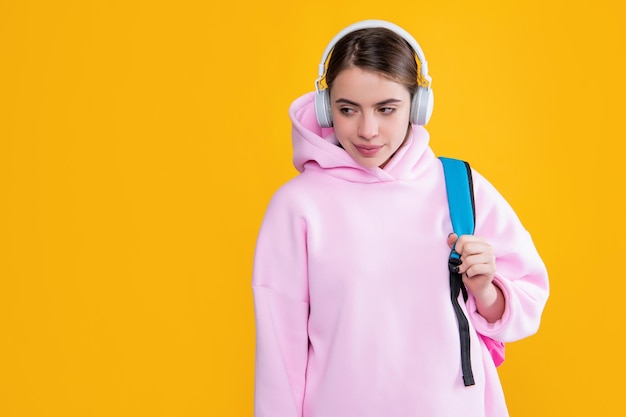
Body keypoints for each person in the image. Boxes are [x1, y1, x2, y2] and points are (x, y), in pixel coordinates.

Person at [252, 19, 549, 417]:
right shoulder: (297, 207)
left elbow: (526, 302)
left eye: (386, 109)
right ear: (325, 109)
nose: (367, 130)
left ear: (418, 105)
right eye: (347, 109)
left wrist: (486, 291)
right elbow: (279, 353)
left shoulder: (458, 187)